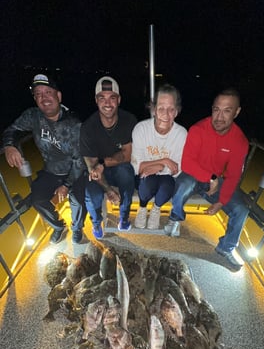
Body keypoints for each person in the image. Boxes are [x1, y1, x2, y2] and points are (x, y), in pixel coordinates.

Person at [164, 87, 249, 271]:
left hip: (217, 180)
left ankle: (226, 247)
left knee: (241, 210)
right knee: (183, 184)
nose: (219, 116)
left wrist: (220, 202)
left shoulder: (240, 141)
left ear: (237, 112)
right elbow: (187, 163)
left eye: (227, 111)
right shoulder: (197, 129)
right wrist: (210, 177)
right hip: (195, 174)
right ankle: (175, 217)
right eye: (216, 109)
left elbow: (234, 176)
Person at [2, 73, 87, 244]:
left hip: (75, 171)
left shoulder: (75, 125)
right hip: (51, 171)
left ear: (58, 96)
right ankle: (59, 226)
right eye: (38, 94)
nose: (44, 98)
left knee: (78, 200)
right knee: (37, 198)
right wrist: (9, 145)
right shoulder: (33, 116)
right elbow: (11, 130)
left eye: (48, 92)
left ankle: (77, 228)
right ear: (35, 99)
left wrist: (66, 186)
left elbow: (80, 161)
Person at [80, 76, 137, 239]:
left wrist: (103, 163)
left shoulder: (129, 120)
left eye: (112, 98)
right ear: (96, 100)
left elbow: (127, 155)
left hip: (116, 167)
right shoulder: (87, 128)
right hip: (96, 171)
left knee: (127, 171)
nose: (107, 103)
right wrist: (109, 190)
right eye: (102, 98)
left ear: (118, 100)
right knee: (91, 193)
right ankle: (97, 222)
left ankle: (123, 217)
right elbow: (92, 166)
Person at [131, 84, 187, 229]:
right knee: (147, 180)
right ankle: (142, 207)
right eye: (161, 108)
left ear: (176, 112)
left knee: (167, 184)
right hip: (145, 178)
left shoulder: (181, 134)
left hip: (166, 178)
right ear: (154, 109)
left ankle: (156, 209)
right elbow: (136, 166)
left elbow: (177, 169)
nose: (166, 114)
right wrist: (164, 161)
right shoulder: (141, 129)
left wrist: (158, 166)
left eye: (171, 109)